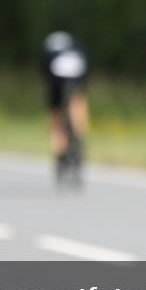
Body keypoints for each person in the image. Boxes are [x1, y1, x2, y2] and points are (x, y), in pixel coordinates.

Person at [42, 31, 90, 186]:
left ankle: (60, 153)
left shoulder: (48, 54)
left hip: (55, 79)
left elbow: (46, 81)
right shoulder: (77, 49)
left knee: (56, 116)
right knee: (77, 101)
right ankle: (79, 132)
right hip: (78, 75)